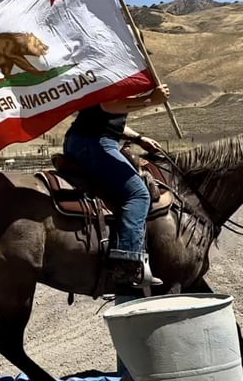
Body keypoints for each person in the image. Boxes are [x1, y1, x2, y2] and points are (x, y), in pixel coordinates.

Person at [62, 83, 169, 288]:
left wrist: (139, 138)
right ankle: (127, 263)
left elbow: (110, 120)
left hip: (89, 140)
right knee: (139, 194)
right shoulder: (110, 80)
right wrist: (151, 100)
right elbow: (109, 105)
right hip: (94, 143)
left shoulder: (109, 81)